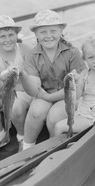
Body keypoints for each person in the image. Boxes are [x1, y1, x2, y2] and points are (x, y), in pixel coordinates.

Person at [19, 9, 87, 151]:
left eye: (53, 31)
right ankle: (27, 146)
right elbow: (34, 89)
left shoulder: (72, 52)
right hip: (43, 93)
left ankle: (52, 146)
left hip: (68, 95)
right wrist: (22, 75)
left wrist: (49, 97)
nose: (48, 36)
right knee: (36, 112)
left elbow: (78, 87)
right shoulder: (32, 56)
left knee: (54, 116)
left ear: (61, 30)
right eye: (43, 32)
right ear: (36, 34)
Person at [0, 15, 33, 156]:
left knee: (16, 107)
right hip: (4, 93)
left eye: (11, 34)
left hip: (26, 91)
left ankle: (23, 138)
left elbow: (34, 77)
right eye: (2, 36)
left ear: (16, 35)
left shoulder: (25, 50)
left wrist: (16, 86)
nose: (7, 39)